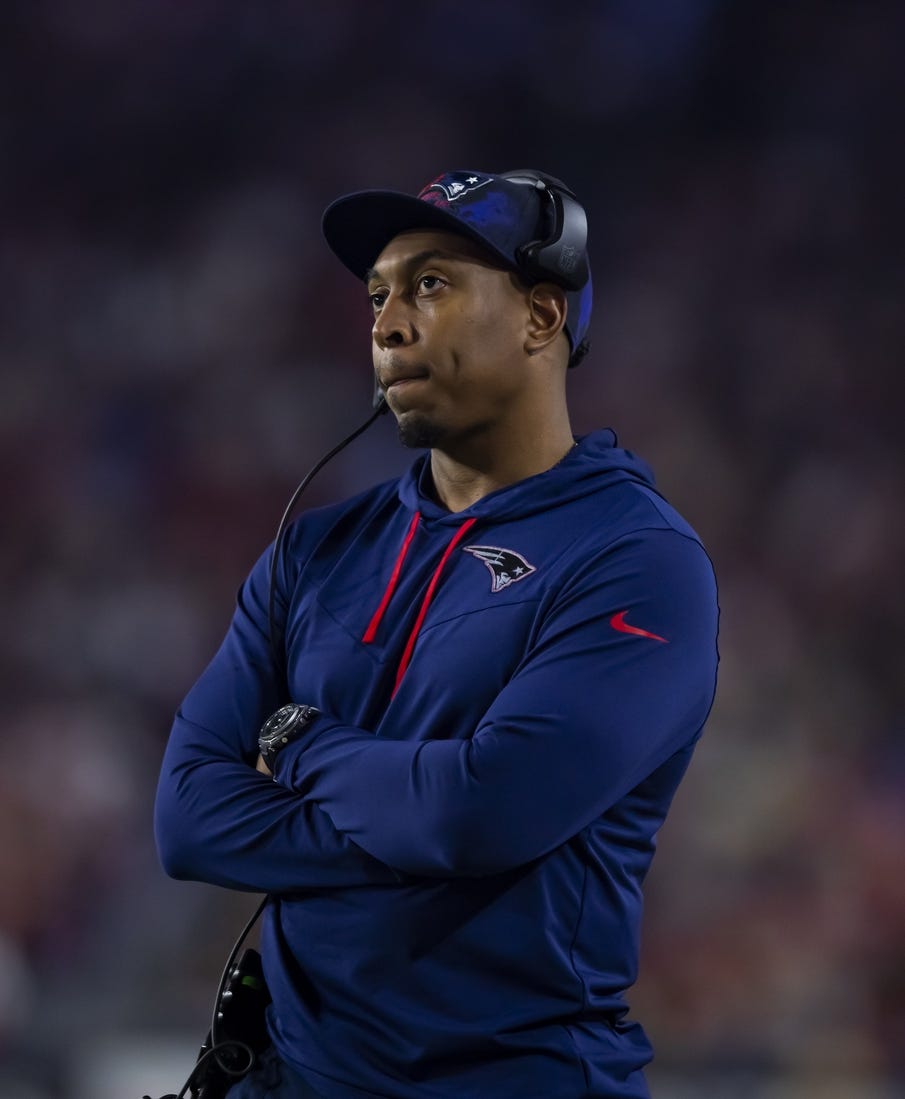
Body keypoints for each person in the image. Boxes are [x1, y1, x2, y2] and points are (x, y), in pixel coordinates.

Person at [154, 168, 719, 1099]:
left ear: (542, 315)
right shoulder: (316, 548)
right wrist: (431, 823)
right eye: (377, 294)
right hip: (293, 1077)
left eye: (430, 284)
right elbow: (187, 819)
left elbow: (482, 813)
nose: (385, 325)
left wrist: (300, 740)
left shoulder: (637, 561)